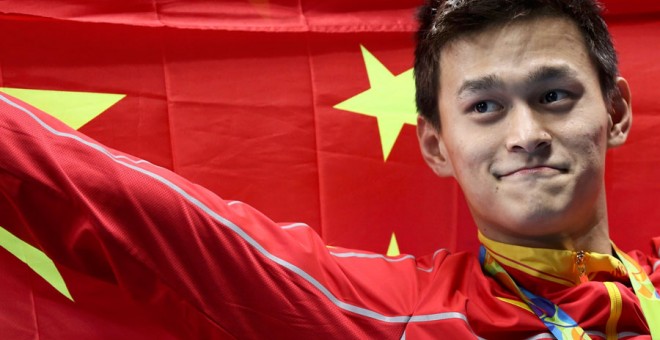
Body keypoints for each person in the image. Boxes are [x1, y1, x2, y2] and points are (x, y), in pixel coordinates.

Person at [0, 0, 658, 338]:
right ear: (435, 145)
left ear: (618, 112)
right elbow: (132, 208)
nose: (525, 135)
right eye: (483, 107)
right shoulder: (392, 314)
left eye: (554, 96)